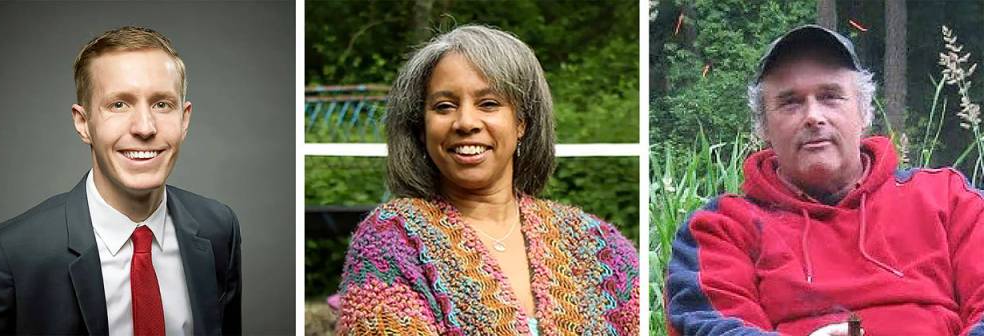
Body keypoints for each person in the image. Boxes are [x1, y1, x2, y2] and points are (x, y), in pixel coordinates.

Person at [665, 24, 984, 336]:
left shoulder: (949, 199)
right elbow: (707, 323)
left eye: (830, 96)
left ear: (864, 113)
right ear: (763, 128)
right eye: (790, 102)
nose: (813, 116)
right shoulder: (722, 227)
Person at [334, 25, 639, 335]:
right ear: (421, 128)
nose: (466, 122)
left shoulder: (599, 246)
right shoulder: (392, 240)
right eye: (444, 106)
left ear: (521, 122)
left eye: (489, 103)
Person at [0, 26, 242, 335]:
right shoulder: (10, 257)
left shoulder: (218, 229)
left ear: (184, 119)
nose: (145, 127)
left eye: (162, 104)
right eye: (119, 104)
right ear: (83, 123)